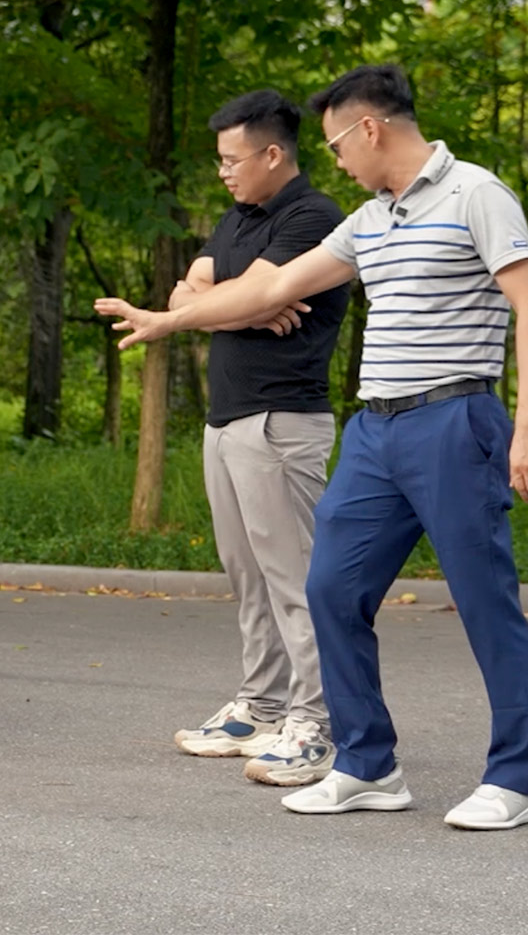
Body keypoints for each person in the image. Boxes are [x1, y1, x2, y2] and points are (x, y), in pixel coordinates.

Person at [96, 64, 528, 831]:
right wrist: (169, 319)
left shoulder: (475, 193)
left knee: (484, 601)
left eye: (339, 144)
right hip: (375, 431)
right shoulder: (369, 220)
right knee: (330, 589)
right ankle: (368, 765)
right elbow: (271, 289)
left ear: (370, 128)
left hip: (453, 418)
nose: (335, 160)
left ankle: (517, 779)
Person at [168, 90, 349, 789]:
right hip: (227, 421)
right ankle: (262, 707)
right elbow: (188, 294)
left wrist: (230, 302)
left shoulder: (312, 215)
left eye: (231, 159)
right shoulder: (237, 219)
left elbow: (245, 294)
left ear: (273, 154)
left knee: (296, 579)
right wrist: (240, 309)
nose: (223, 172)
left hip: (281, 423)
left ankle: (317, 722)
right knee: (247, 575)